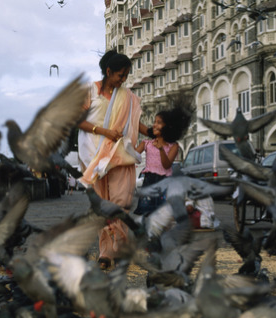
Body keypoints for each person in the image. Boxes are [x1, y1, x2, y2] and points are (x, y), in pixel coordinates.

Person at [78, 50, 150, 270]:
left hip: (119, 156)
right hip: (94, 158)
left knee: (120, 203)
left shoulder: (127, 96)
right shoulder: (90, 91)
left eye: (126, 75)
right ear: (108, 72)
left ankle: (120, 247)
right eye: (120, 74)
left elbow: (135, 123)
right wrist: (105, 131)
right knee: (102, 207)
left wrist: (155, 132)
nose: (123, 80)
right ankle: (106, 252)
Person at [133, 103, 191, 215]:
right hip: (149, 182)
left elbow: (167, 165)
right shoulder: (146, 143)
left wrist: (161, 150)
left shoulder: (173, 146)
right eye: (154, 122)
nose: (154, 125)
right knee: (147, 212)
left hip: (164, 182)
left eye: (159, 123)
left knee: (163, 212)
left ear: (168, 127)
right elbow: (133, 156)